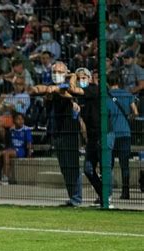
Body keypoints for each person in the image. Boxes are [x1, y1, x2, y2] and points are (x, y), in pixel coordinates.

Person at [30, 62, 82, 207]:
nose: (56, 74)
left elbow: (67, 91)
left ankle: (76, 198)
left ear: (66, 72)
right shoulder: (50, 89)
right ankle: (72, 197)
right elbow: (40, 93)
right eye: (54, 71)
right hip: (56, 131)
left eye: (59, 71)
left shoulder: (69, 86)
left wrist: (56, 89)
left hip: (69, 131)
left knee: (72, 166)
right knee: (64, 167)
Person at [71, 67, 114, 206]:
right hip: (92, 136)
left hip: (104, 134)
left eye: (83, 77)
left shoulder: (93, 89)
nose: (80, 80)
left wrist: (72, 76)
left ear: (89, 78)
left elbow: (73, 90)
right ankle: (103, 195)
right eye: (78, 78)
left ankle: (108, 197)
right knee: (88, 169)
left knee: (105, 167)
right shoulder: (82, 98)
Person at [107, 70, 139, 200]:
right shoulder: (127, 94)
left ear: (108, 82)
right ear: (119, 81)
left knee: (109, 164)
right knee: (124, 164)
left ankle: (107, 192)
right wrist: (128, 118)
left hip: (111, 134)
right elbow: (135, 112)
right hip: (125, 133)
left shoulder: (106, 96)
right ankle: (125, 192)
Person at [0, 112, 32, 185]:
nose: (21, 121)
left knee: (6, 153)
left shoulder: (26, 130)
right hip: (12, 149)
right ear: (14, 121)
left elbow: (29, 143)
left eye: (22, 119)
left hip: (21, 150)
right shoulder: (11, 130)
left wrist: (29, 154)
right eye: (18, 119)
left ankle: (5, 178)